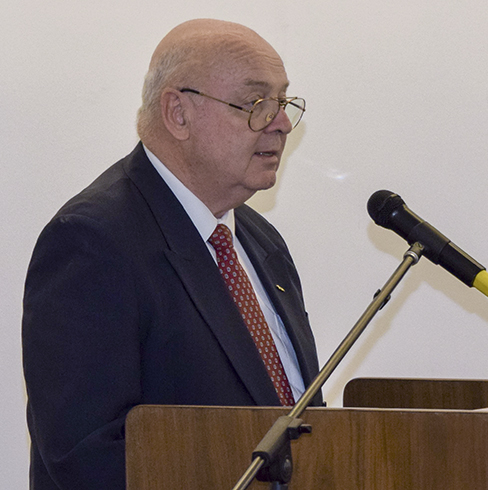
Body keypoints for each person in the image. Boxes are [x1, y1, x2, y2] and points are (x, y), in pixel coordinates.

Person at [22, 19, 322, 490]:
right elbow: (88, 459)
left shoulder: (261, 241)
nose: (281, 123)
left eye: (283, 102)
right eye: (256, 103)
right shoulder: (91, 242)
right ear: (178, 113)